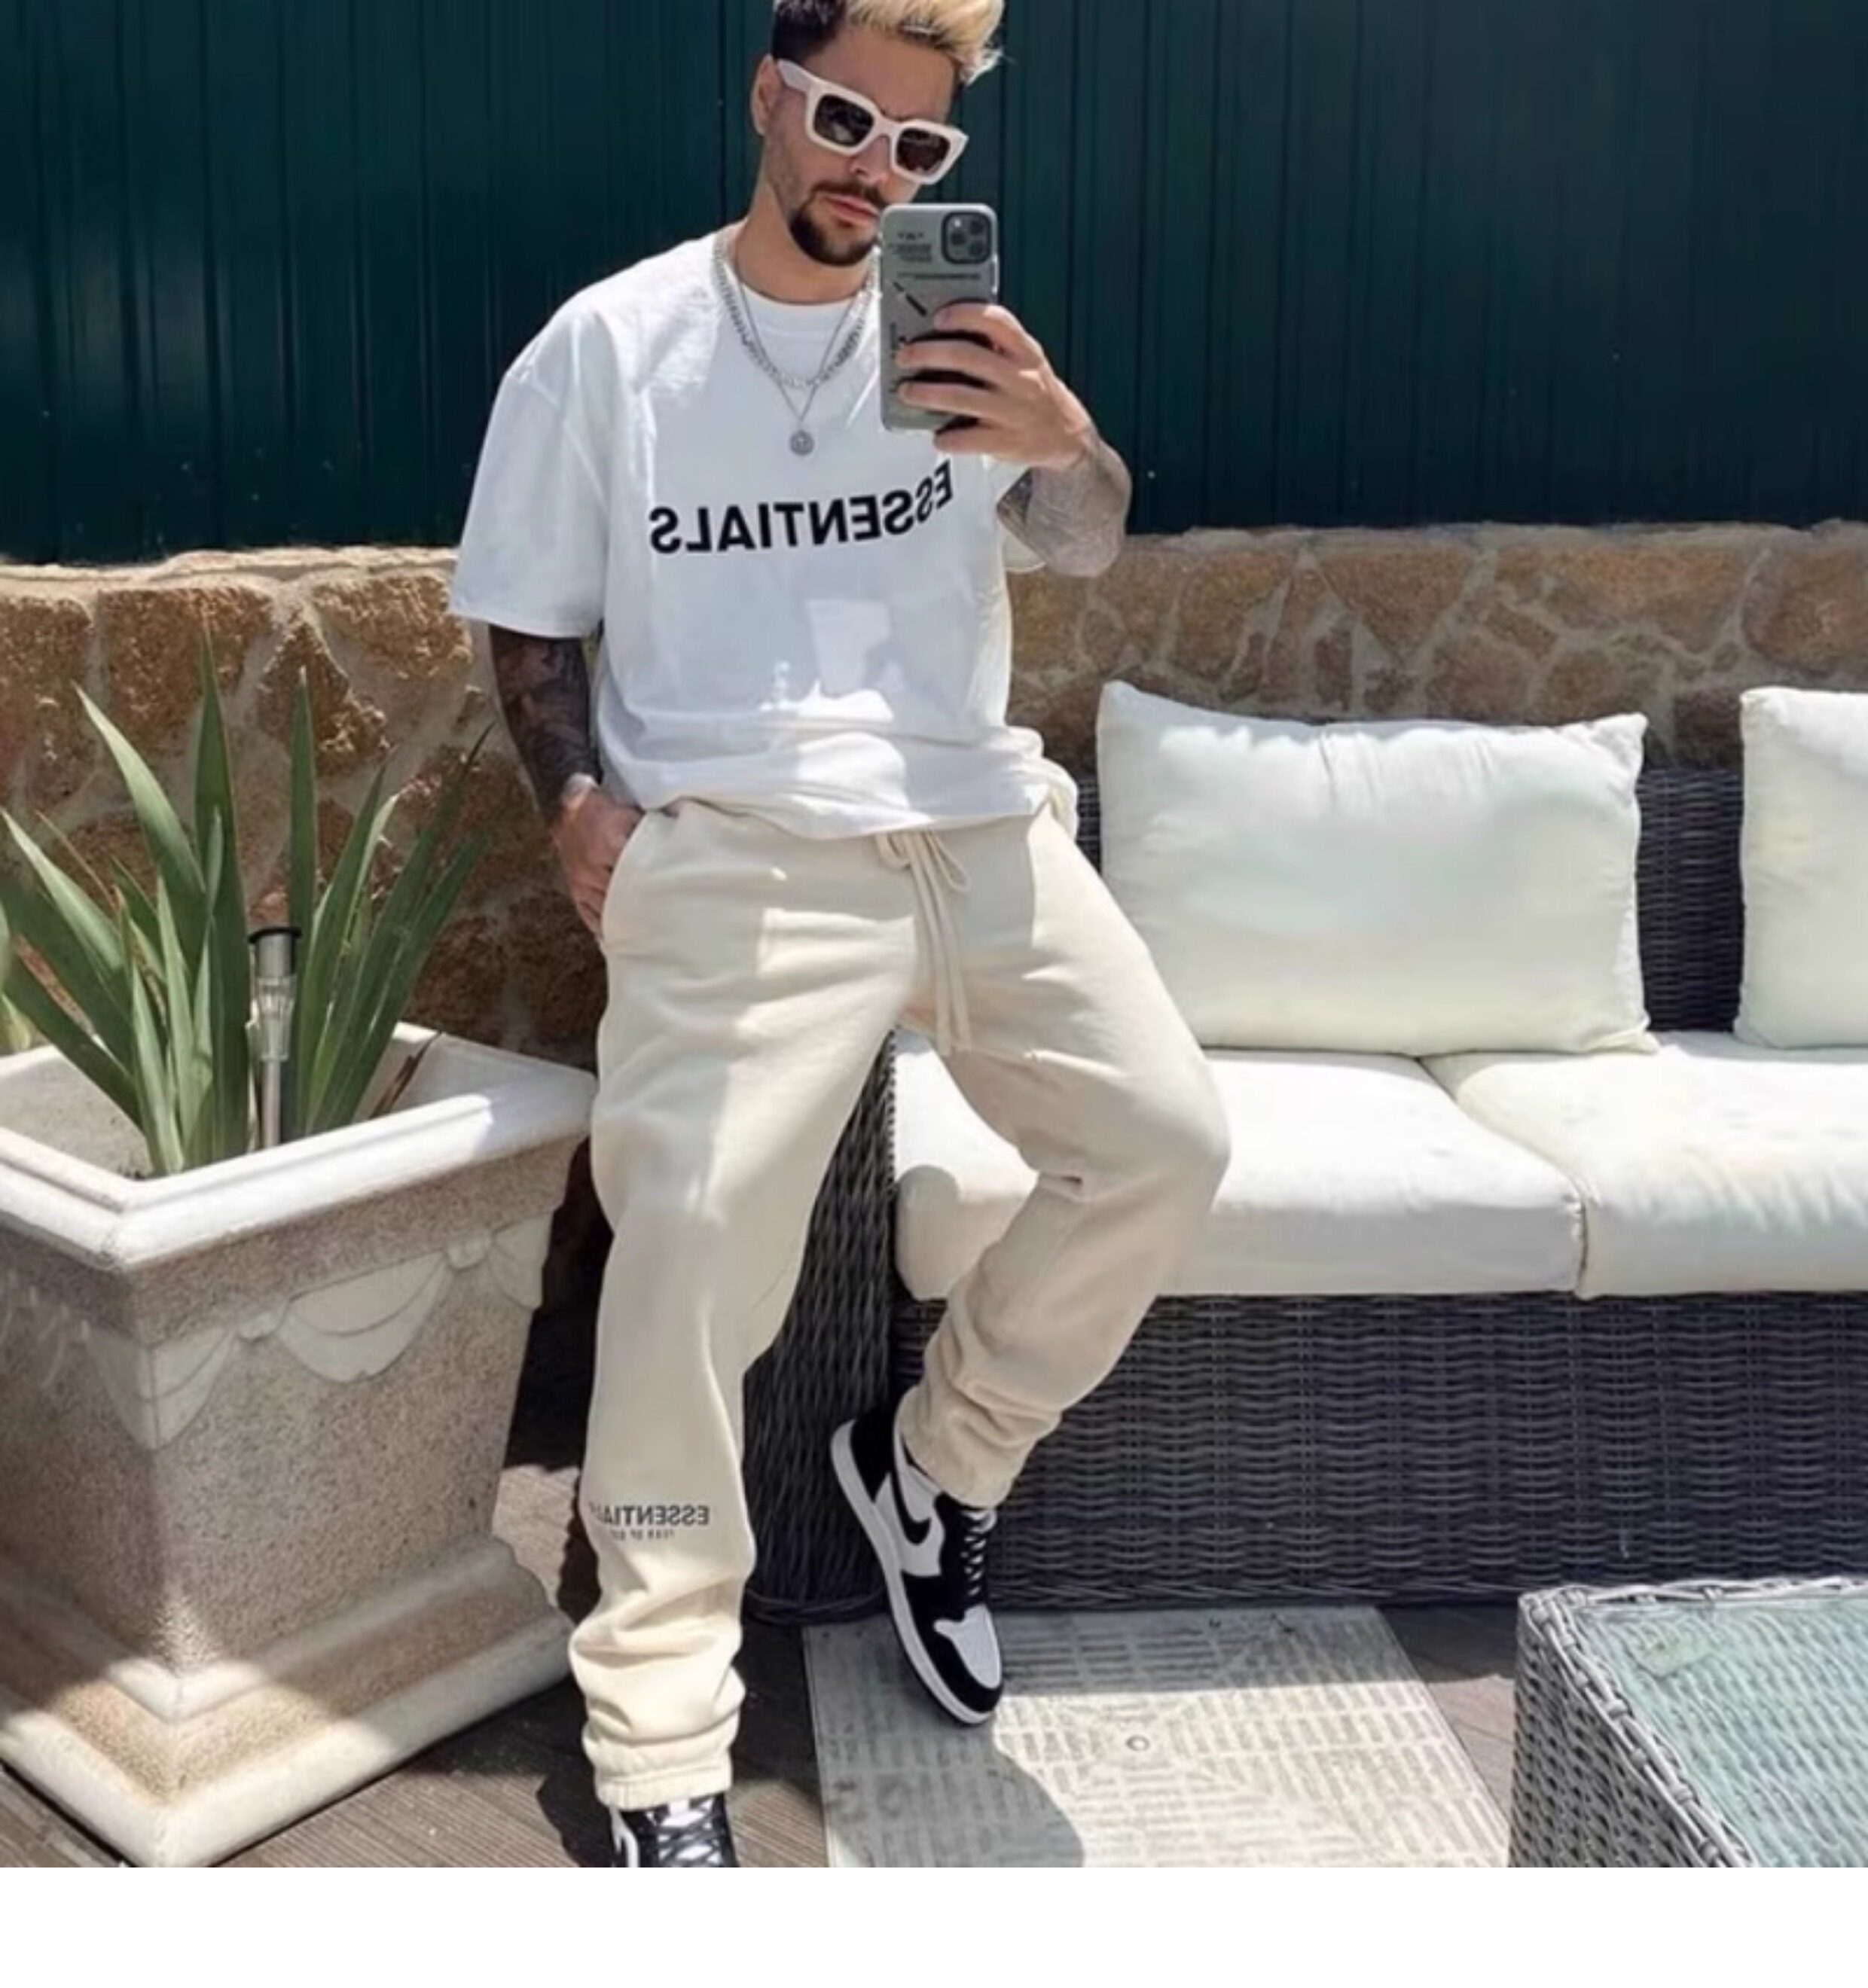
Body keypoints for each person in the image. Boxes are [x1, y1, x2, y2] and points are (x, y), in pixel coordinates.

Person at [447, 0, 1229, 1868]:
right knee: (691, 1249)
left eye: (918, 147)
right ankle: (657, 1723)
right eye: (840, 119)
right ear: (765, 98)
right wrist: (575, 802)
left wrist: (1064, 440)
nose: (872, 168)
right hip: (744, 850)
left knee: (1162, 1145)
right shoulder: (611, 347)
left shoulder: (956, 343)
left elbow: (1088, 538)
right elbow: (528, 612)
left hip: (978, 829)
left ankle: (935, 1469)